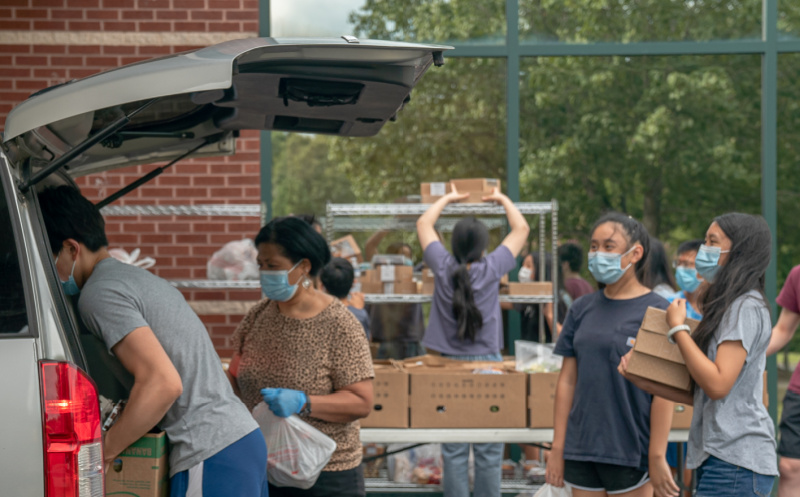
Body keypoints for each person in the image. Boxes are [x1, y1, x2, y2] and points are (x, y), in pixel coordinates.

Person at [38, 186, 267, 497]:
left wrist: (102, 453)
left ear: (70, 248)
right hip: (236, 442)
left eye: (49, 259)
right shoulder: (132, 279)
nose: (50, 272)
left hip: (209, 450)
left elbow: (163, 384)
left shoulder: (99, 294)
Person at [619, 213, 778, 497]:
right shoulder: (732, 306)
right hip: (720, 457)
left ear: (738, 251)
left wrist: (678, 328)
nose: (704, 249)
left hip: (736, 461)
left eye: (712, 242)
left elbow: (717, 385)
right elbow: (705, 394)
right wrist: (643, 380)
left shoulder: (745, 307)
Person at [227, 216, 374, 497]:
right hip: (266, 467)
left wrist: (304, 402)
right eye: (260, 265)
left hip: (325, 475)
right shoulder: (259, 316)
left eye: (273, 266)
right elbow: (236, 373)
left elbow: (361, 401)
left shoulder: (339, 324)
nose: (264, 273)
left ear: (303, 266)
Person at [546, 212, 677, 497]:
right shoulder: (580, 309)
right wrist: (558, 446)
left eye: (608, 246)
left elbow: (664, 391)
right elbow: (567, 381)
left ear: (635, 253)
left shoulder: (658, 311)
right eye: (594, 246)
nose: (598, 254)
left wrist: (657, 455)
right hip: (582, 448)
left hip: (631, 449)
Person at [417, 185, 529, 497]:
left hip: (446, 368)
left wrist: (449, 198)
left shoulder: (442, 265)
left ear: (452, 243)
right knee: (490, 451)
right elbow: (521, 227)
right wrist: (502, 198)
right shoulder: (493, 268)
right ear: (483, 247)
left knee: (452, 450)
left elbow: (423, 224)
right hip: (489, 368)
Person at [766, 263, 800, 497]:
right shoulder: (798, 274)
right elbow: (783, 330)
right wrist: (743, 352)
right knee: (789, 467)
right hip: (799, 390)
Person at [365, 235, 426, 359]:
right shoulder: (382, 274)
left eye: (408, 256)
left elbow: (433, 257)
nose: (406, 259)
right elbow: (370, 246)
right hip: (386, 340)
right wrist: (391, 225)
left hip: (411, 340)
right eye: (402, 255)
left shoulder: (414, 274)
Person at [503, 251, 569, 343]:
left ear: (541, 271)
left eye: (528, 266)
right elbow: (504, 302)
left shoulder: (558, 301)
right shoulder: (528, 299)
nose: (523, 270)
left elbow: (565, 338)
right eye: (523, 265)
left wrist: (549, 315)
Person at [319, 257, 371, 339]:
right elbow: (365, 344)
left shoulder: (315, 313)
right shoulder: (359, 315)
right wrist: (358, 311)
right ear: (354, 282)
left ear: (322, 286)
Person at [666, 239, 705, 321]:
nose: (680, 269)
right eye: (678, 263)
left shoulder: (719, 307)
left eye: (686, 264)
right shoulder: (671, 303)